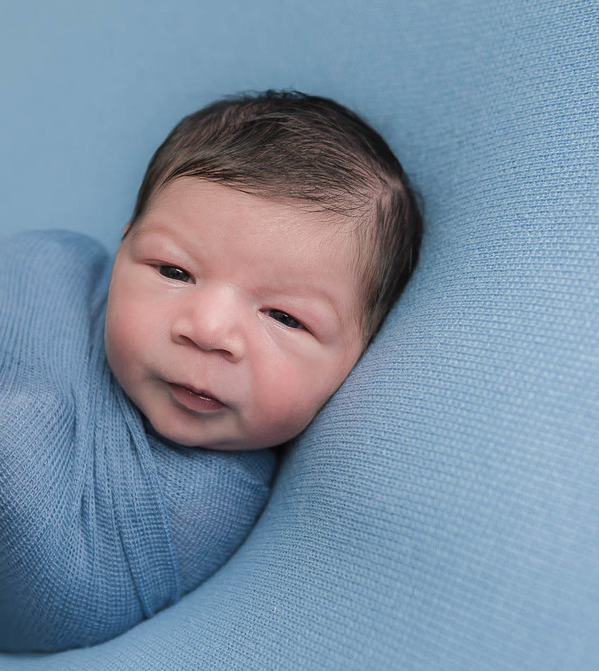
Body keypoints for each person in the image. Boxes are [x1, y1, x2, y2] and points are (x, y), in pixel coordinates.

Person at [104, 90, 423, 451]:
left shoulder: (204, 504)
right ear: (123, 245)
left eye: (285, 318)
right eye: (174, 272)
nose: (208, 331)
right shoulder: (46, 284)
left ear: (364, 352)